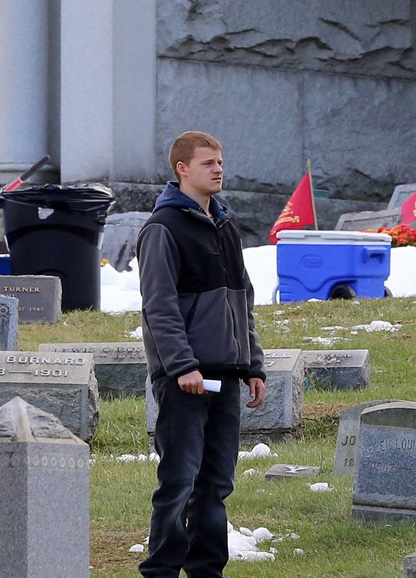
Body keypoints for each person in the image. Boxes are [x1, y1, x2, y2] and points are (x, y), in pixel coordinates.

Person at [136, 131, 266, 578]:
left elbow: (241, 301)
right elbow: (159, 307)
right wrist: (182, 366)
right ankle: (161, 571)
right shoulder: (162, 229)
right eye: (208, 162)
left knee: (215, 486)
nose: (218, 169)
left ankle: (207, 572)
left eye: (220, 161)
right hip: (184, 381)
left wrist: (253, 365)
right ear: (182, 169)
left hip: (226, 379)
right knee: (178, 484)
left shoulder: (226, 228)